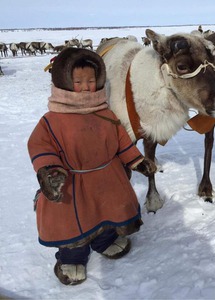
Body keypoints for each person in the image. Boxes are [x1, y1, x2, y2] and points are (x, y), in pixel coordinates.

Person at [28, 48, 156, 285]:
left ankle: (105, 242)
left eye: (90, 80)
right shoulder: (52, 120)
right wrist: (49, 171)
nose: (86, 86)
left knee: (107, 214)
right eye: (78, 81)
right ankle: (72, 258)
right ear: (64, 81)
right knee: (72, 226)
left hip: (107, 179)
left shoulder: (106, 114)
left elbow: (121, 142)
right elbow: (39, 146)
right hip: (71, 184)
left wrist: (137, 161)